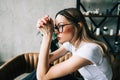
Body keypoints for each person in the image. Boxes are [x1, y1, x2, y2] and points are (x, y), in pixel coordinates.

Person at [24, 8, 113, 80]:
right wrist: (47, 31)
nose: (56, 31)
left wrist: (47, 35)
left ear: (78, 26)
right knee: (43, 70)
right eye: (56, 27)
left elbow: (42, 77)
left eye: (61, 26)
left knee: (44, 74)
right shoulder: (71, 43)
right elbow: (47, 60)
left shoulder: (89, 49)